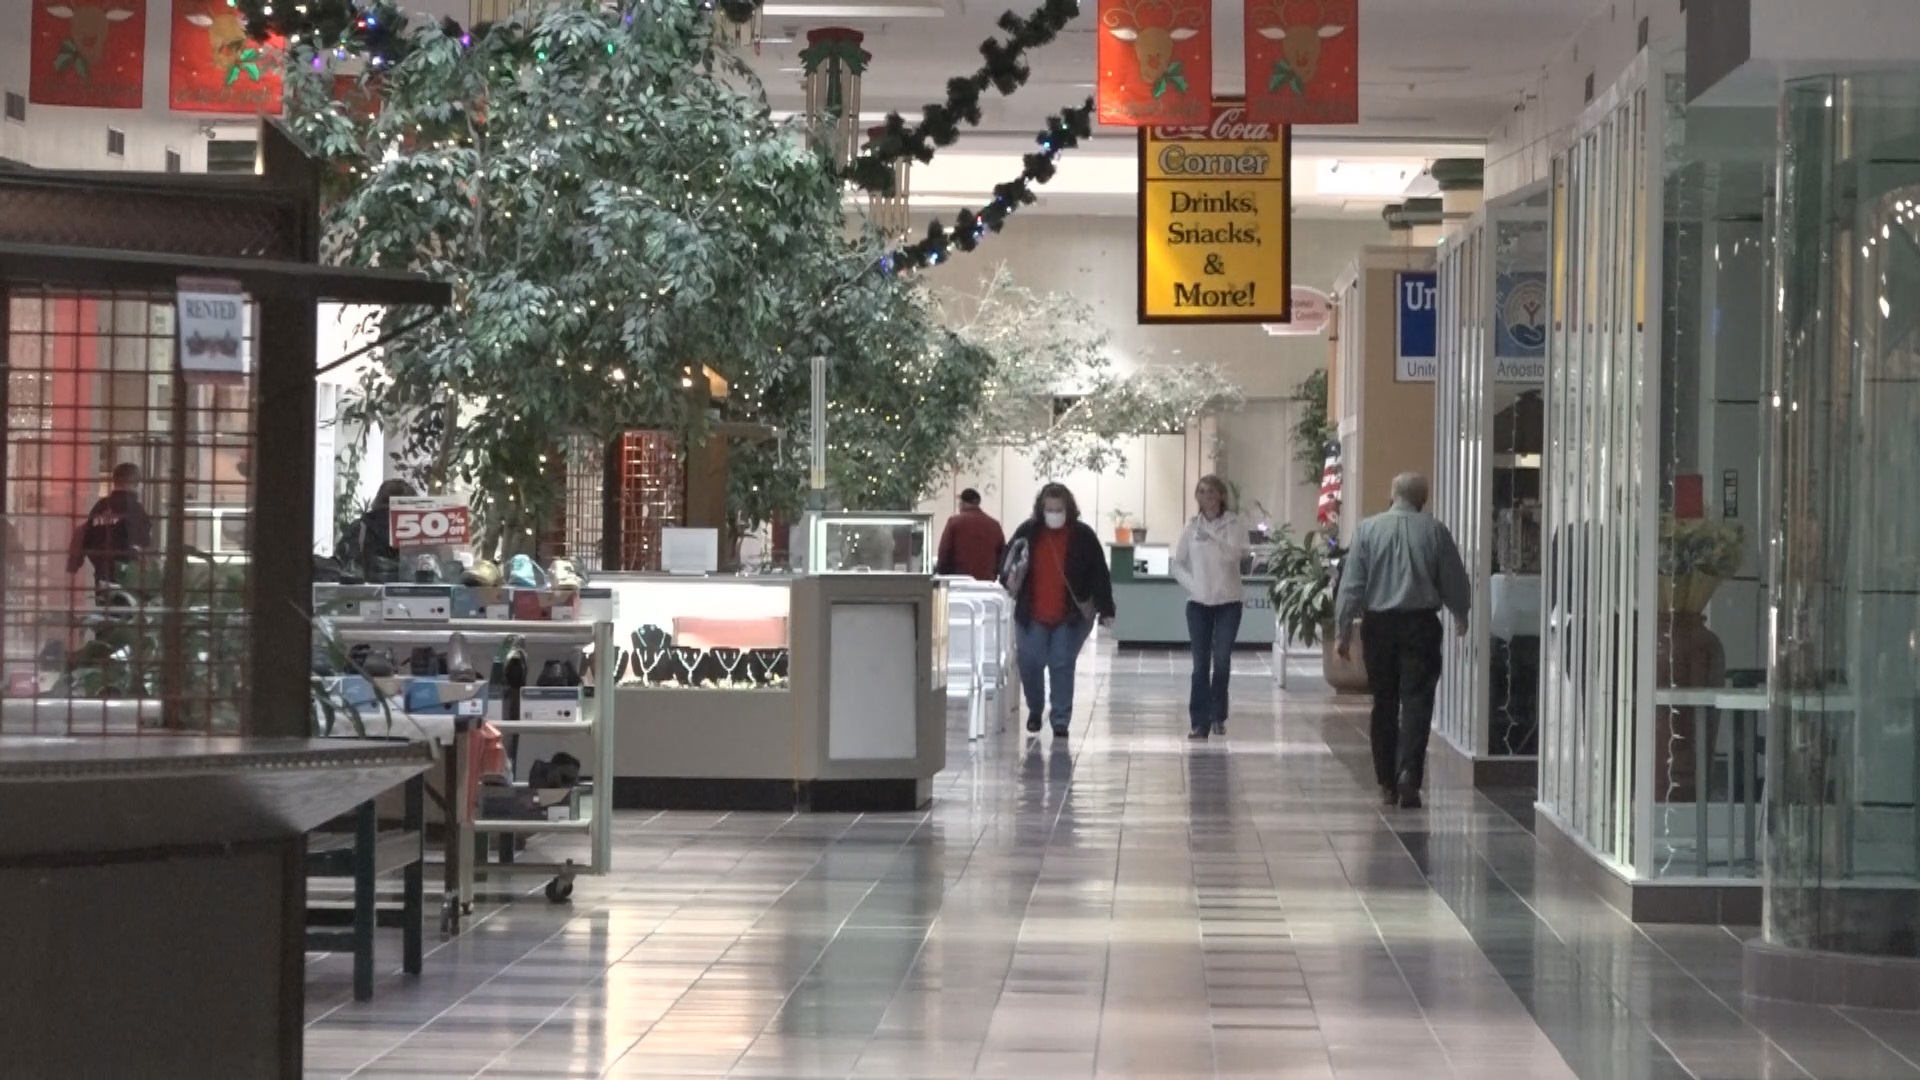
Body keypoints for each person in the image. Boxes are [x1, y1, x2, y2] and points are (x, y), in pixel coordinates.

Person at [1333, 472, 1471, 809]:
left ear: (1392, 494)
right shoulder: (1435, 531)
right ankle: (1409, 772)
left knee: (1384, 701)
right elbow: (1453, 578)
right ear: (1422, 498)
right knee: (1416, 701)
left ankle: (1385, 782)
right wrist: (1460, 613)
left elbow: (1352, 584)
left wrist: (1343, 628)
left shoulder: (1367, 530)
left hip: (1379, 626)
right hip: (1421, 625)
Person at [1001, 483, 1114, 739]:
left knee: (1061, 663)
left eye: (1058, 509)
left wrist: (1106, 608)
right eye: (1049, 509)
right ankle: (1036, 708)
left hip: (1070, 614)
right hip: (1032, 611)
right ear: (1041, 509)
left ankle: (1060, 719)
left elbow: (1099, 573)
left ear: (1068, 509)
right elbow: (1007, 560)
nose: (1054, 514)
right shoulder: (1028, 531)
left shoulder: (1082, 535)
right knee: (1029, 662)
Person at [1171, 475, 1249, 740]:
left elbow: (1234, 556)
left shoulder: (1234, 524)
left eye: (1212, 492)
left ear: (1221, 496)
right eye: (1202, 492)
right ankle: (1199, 721)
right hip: (1199, 604)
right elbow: (1178, 562)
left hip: (1229, 601)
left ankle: (1218, 715)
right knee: (1200, 664)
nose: (1207, 497)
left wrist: (1214, 538)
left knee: (1223, 661)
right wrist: (1193, 585)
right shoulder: (1192, 527)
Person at [67, 462, 152, 590]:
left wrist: (73, 564)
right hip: (128, 582)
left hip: (102, 579)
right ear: (135, 483)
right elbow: (143, 545)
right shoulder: (136, 510)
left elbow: (83, 535)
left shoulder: (100, 507)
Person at [338, 479, 416, 583]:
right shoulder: (421, 530)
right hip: (414, 596)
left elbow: (342, 566)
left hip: (367, 596)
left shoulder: (360, 528)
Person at [934, 488, 1006, 581]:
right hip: (987, 585)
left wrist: (943, 575)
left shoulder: (954, 523)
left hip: (959, 583)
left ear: (962, 504)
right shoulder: (994, 525)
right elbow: (1003, 555)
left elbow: (944, 553)